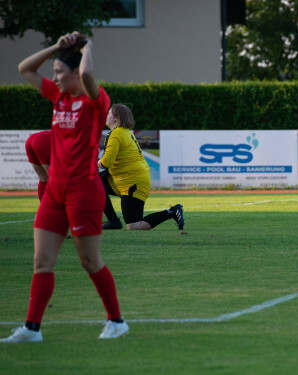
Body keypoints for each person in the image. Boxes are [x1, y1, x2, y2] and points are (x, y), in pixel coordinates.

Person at [1, 32, 128, 343]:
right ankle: (32, 329)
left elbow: (86, 73)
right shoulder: (58, 97)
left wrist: (88, 47)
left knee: (90, 261)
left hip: (83, 190)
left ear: (74, 73)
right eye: (54, 73)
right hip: (55, 192)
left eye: (59, 72)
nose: (54, 78)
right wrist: (57, 48)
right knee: (42, 261)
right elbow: (24, 69)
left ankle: (117, 321)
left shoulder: (96, 102)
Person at [98, 103, 184, 231]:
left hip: (132, 182)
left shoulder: (116, 134)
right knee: (96, 183)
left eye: (109, 113)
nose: (107, 115)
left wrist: (92, 162)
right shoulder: (123, 132)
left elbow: (106, 163)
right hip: (127, 180)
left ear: (116, 118)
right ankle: (113, 221)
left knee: (134, 226)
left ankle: (171, 212)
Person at [25, 130, 51, 201]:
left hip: (32, 139)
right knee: (55, 179)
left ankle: (44, 210)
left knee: (43, 178)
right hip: (45, 140)